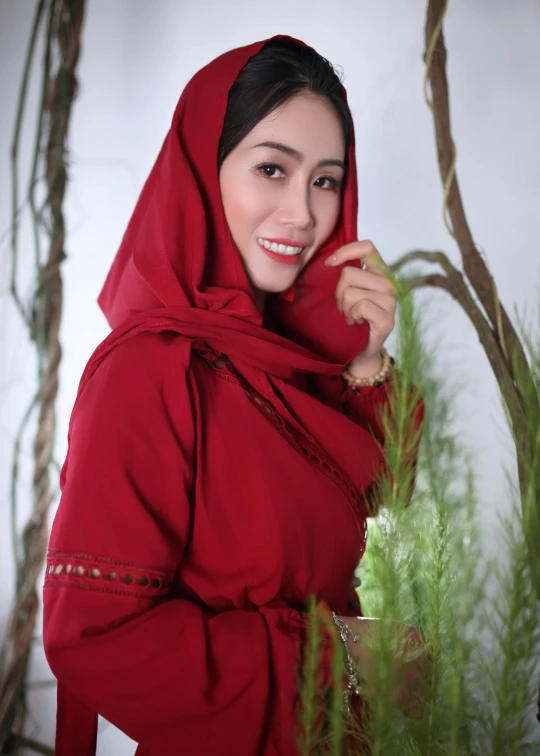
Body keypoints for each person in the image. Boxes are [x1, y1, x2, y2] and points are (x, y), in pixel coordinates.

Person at [43, 34, 425, 755]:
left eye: (326, 180)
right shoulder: (148, 374)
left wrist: (369, 360)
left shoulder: (297, 364)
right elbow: (92, 640)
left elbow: (380, 511)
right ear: (201, 169)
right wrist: (337, 655)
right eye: (273, 169)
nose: (304, 214)